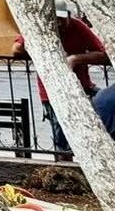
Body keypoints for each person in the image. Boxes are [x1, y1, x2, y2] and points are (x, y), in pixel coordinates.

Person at [11, 9, 108, 160]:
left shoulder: (77, 27)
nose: (58, 23)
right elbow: (16, 50)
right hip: (52, 93)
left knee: (105, 114)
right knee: (62, 135)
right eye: (54, 19)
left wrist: (75, 59)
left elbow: (103, 55)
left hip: (82, 87)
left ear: (69, 17)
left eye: (62, 19)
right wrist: (39, 53)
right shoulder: (38, 27)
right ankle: (66, 166)